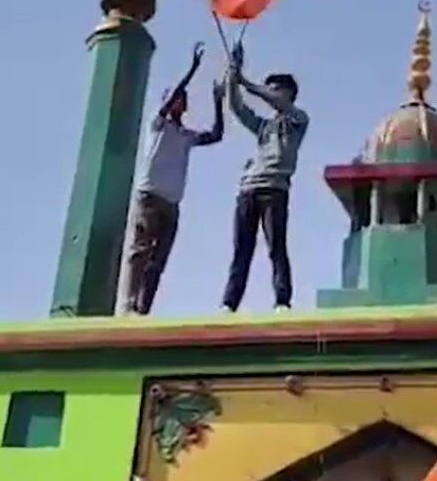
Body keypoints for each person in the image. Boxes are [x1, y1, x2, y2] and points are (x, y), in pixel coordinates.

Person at [123, 42, 224, 315]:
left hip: (171, 203)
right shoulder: (158, 125)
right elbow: (171, 100)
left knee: (158, 260)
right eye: (176, 97)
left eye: (183, 98)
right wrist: (193, 69)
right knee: (140, 251)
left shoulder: (185, 136)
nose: (181, 100)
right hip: (150, 197)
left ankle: (143, 308)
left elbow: (216, 135)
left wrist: (217, 101)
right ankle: (129, 303)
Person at [220, 42, 309, 312]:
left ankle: (282, 300)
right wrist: (233, 73)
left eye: (275, 88)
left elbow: (275, 101)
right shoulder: (264, 127)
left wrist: (247, 82)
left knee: (276, 247)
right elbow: (236, 106)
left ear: (288, 93)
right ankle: (229, 303)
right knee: (241, 251)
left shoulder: (298, 119)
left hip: (275, 189)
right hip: (248, 189)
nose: (270, 92)